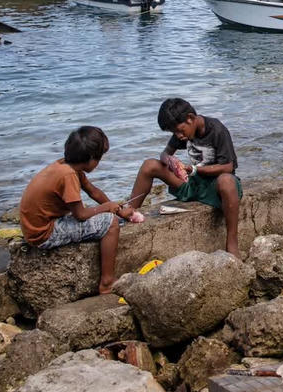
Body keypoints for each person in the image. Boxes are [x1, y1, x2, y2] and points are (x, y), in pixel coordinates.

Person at [19, 126, 131, 294]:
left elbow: (93, 191)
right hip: (44, 234)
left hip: (36, 227)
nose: (99, 164)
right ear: (91, 158)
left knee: (110, 215)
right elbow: (80, 215)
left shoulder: (66, 165)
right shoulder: (68, 175)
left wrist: (118, 210)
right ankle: (107, 282)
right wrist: (108, 209)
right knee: (111, 223)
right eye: (99, 158)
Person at [125, 98, 242, 256]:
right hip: (194, 184)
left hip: (217, 189)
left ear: (190, 118)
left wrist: (194, 169)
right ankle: (129, 212)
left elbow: (228, 167)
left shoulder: (217, 130)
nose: (179, 136)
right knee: (149, 165)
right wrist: (170, 161)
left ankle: (232, 242)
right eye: (174, 132)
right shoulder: (183, 132)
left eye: (180, 131)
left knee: (226, 181)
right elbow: (165, 153)